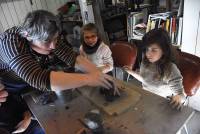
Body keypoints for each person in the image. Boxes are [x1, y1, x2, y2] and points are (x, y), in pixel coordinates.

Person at [0, 10, 118, 133]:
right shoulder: (11, 42)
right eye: (46, 42)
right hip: (6, 91)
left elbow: (73, 58)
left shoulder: (48, 33)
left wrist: (98, 74)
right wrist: (89, 79)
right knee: (28, 128)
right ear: (28, 37)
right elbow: (39, 79)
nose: (53, 46)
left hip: (27, 85)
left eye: (55, 39)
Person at [124, 28, 186, 109]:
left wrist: (178, 98)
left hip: (162, 102)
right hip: (146, 97)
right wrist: (131, 72)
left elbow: (181, 95)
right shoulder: (145, 62)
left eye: (154, 50)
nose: (148, 54)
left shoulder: (170, 69)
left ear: (164, 50)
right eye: (147, 49)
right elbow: (145, 80)